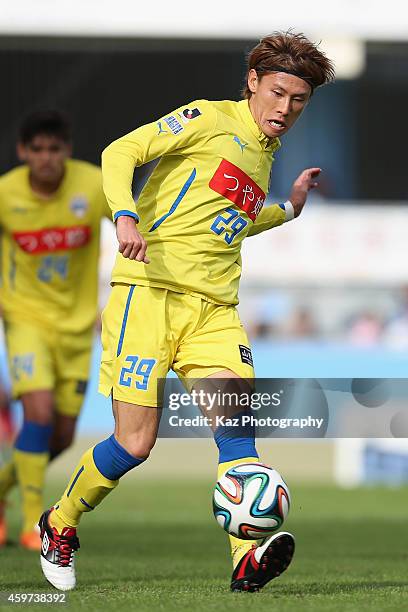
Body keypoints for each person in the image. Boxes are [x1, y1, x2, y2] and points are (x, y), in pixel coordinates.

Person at [39, 32, 334, 592]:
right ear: (252, 83)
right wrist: (124, 215)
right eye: (276, 93)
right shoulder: (205, 118)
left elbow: (233, 222)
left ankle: (244, 559)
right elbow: (118, 152)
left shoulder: (265, 154)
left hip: (215, 311)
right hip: (147, 296)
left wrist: (288, 210)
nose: (284, 109)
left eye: (298, 101)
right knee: (134, 444)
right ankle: (60, 522)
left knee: (237, 433)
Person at [0, 110, 110, 550]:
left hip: (78, 328)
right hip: (25, 319)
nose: (46, 158)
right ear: (23, 151)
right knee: (38, 415)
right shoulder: (5, 194)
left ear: (67, 151)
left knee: (60, 436)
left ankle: (4, 486)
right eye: (37, 149)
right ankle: (31, 523)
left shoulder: (92, 183)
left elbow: (132, 220)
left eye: (55, 149)